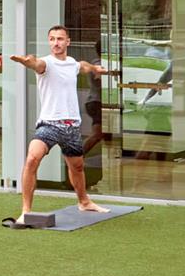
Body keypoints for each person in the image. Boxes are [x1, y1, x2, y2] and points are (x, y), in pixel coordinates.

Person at [10, 25, 111, 219]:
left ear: (67, 42)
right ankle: (26, 211)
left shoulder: (72, 63)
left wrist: (95, 68)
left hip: (72, 125)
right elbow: (35, 63)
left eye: (59, 39)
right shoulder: (46, 64)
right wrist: (26, 61)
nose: (55, 43)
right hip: (49, 125)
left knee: (77, 167)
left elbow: (82, 65)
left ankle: (84, 202)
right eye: (52, 39)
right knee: (32, 159)